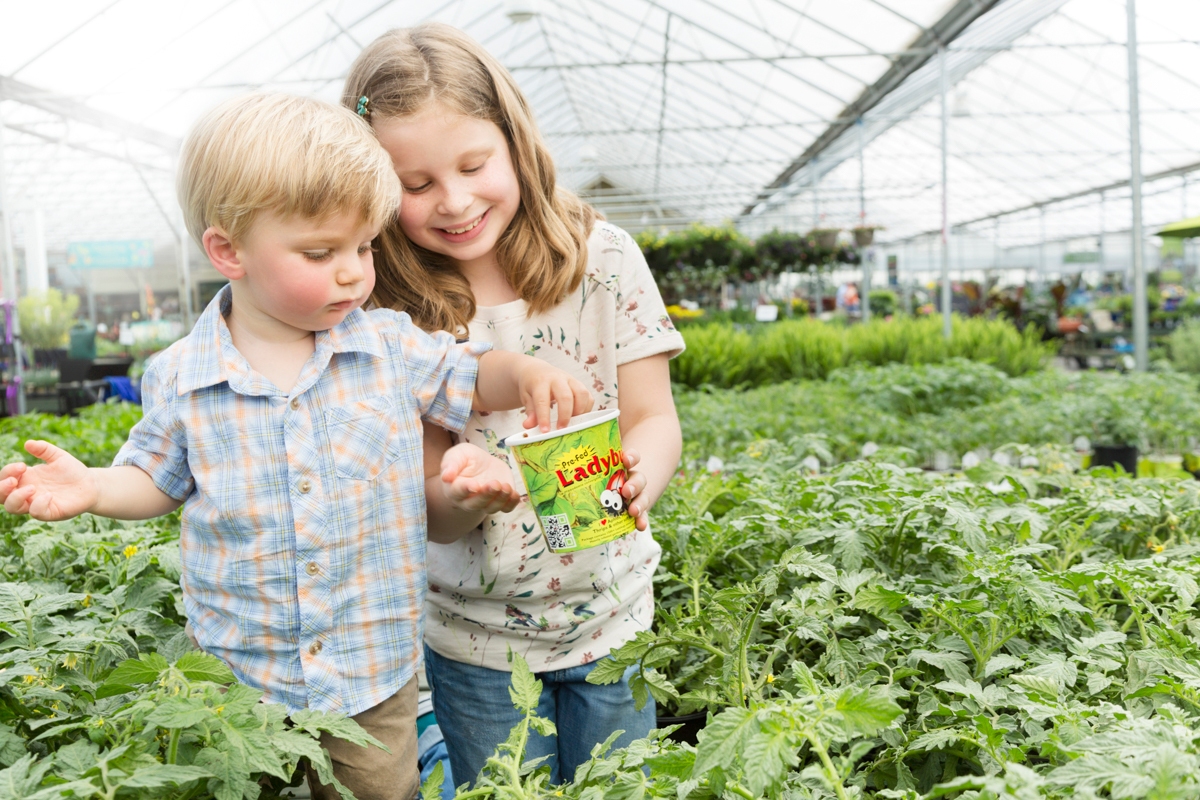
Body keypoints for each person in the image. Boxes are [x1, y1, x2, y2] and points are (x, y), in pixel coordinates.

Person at [0, 93, 592, 800]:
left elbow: (469, 377)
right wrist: (95, 487)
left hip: (371, 679)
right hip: (240, 692)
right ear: (228, 251)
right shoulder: (183, 377)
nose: (353, 272)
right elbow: (156, 478)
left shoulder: (386, 347)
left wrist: (521, 371)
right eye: (321, 252)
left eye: (365, 246)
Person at [343, 23, 686, 787]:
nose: (455, 201)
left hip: (615, 619)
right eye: (417, 183)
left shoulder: (603, 261)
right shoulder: (388, 317)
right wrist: (467, 498)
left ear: (516, 144)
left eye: (474, 165)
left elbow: (654, 419)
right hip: (475, 643)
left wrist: (641, 478)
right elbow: (430, 511)